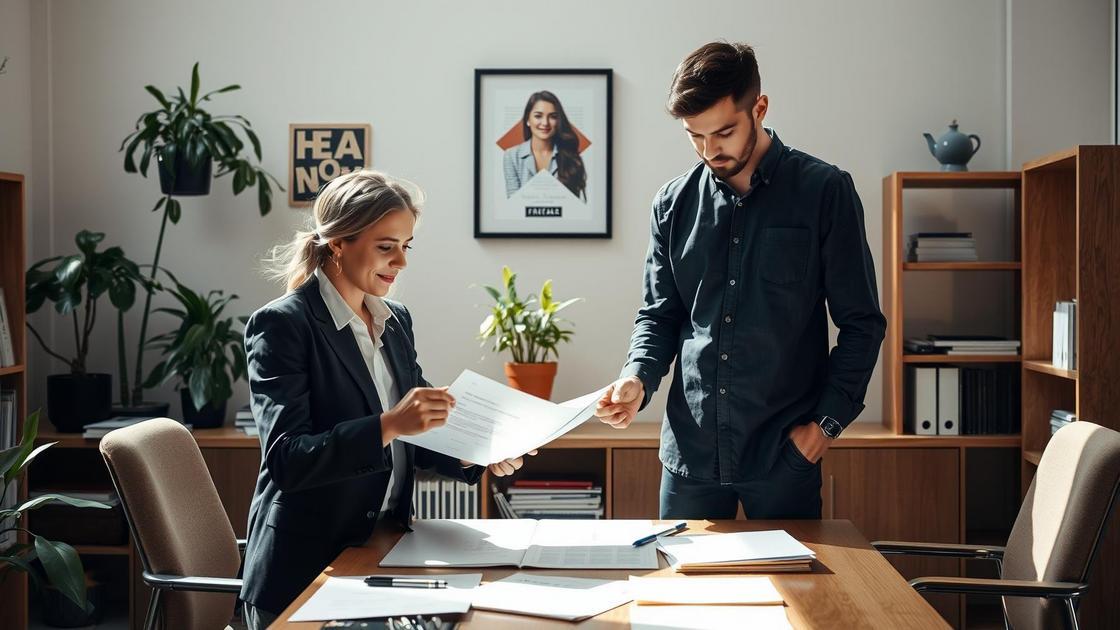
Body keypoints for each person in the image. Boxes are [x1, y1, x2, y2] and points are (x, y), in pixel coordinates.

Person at [594, 42, 885, 520]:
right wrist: (637, 377)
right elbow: (660, 315)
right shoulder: (672, 204)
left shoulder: (824, 191)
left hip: (784, 456)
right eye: (694, 136)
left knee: (799, 596)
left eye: (724, 132)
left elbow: (862, 323)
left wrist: (824, 428)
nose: (710, 151)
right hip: (690, 459)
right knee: (682, 595)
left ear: (760, 108)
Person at [240, 170, 534, 627]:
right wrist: (389, 424)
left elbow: (419, 431)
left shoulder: (395, 320)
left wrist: (481, 452)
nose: (402, 261)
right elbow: (288, 461)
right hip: (306, 568)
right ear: (338, 242)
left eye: (406, 246)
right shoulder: (283, 325)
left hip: (384, 547)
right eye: (386, 246)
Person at [502, 90, 587, 200]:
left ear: (558, 121)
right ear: (528, 120)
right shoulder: (511, 156)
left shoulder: (570, 156)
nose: (545, 123)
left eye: (552, 117)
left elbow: (572, 205)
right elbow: (513, 202)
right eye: (538, 116)